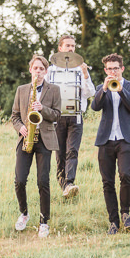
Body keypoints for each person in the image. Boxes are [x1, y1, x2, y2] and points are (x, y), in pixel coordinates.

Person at [91, 53, 130, 235]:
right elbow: (95, 107)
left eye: (115, 68)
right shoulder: (101, 87)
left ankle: (125, 214)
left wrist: (120, 89)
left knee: (125, 175)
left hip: (125, 139)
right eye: (109, 69)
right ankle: (113, 221)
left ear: (122, 69)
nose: (112, 71)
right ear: (105, 70)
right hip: (106, 139)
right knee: (107, 182)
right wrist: (104, 89)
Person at [11, 55, 62, 239]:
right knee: (20, 180)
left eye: (42, 69)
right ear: (30, 70)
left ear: (46, 71)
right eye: (35, 68)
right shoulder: (22, 90)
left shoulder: (54, 90)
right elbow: (15, 116)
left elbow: (57, 115)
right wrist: (21, 127)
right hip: (26, 138)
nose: (38, 71)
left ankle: (44, 222)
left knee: (43, 182)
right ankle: (24, 213)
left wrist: (42, 109)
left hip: (45, 139)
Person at [47, 34, 96, 199]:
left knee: (72, 151)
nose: (70, 48)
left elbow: (90, 93)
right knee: (60, 153)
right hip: (57, 117)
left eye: (73, 46)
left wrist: (86, 75)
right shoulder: (51, 69)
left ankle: (70, 183)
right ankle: (64, 187)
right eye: (67, 45)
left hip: (76, 116)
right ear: (60, 48)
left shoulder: (80, 69)